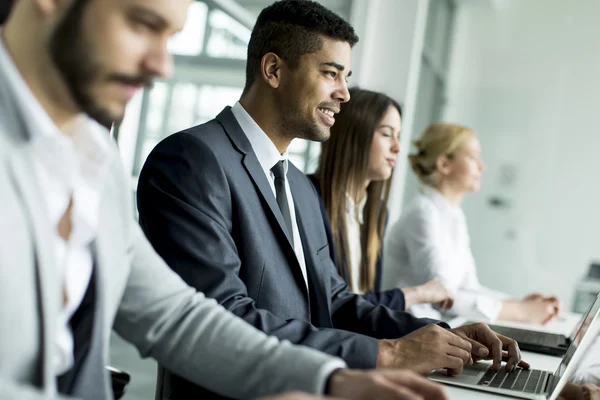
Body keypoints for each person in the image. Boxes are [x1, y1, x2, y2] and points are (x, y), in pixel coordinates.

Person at [0, 0, 450, 399]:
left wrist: (328, 380)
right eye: (142, 24)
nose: (163, 65)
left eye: (172, 36)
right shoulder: (191, 158)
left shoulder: (94, 159)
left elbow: (176, 317)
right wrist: (383, 354)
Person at [137, 1, 528, 397]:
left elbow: (335, 302)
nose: (343, 93)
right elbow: (223, 316)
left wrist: (441, 338)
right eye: (330, 73)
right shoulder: (192, 160)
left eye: (346, 77)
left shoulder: (301, 188)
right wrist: (387, 353)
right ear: (273, 70)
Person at [383, 122, 560, 323]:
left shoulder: (454, 216)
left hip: (435, 327)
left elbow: (469, 288)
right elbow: (444, 297)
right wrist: (521, 312)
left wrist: (518, 303)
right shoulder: (422, 214)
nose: (482, 166)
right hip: (407, 331)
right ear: (444, 164)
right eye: (473, 157)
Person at [309, 87, 453, 311]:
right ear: (354, 135)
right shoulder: (308, 200)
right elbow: (334, 307)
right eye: (387, 134)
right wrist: (418, 293)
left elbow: (366, 306)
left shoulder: (376, 214)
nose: (397, 147)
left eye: (398, 136)